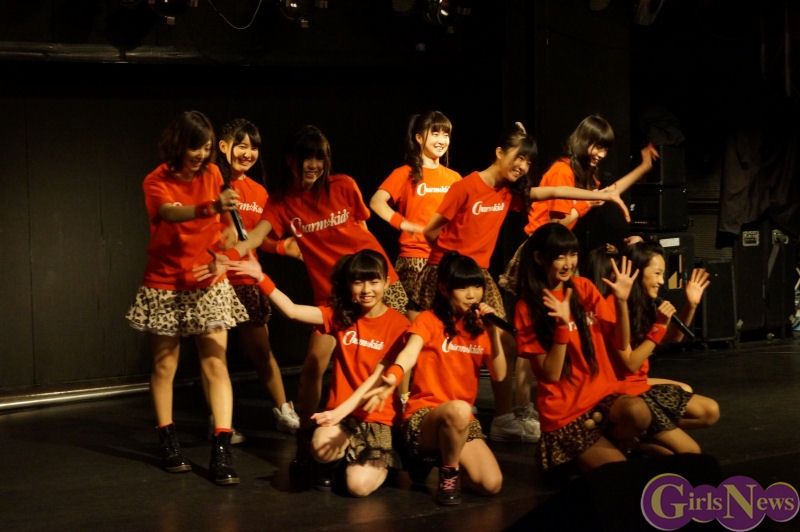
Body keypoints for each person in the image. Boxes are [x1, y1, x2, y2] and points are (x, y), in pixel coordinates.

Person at [413, 121, 632, 444]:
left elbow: (553, 192)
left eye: (528, 161)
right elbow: (431, 230)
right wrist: (452, 263)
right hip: (445, 272)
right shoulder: (465, 187)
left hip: (480, 275)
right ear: (499, 152)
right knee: (437, 340)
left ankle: (503, 418)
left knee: (504, 342)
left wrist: (600, 195)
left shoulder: (508, 193)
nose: (524, 166)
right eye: (519, 157)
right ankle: (423, 408)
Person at [221, 125, 408, 474]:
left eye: (319, 157)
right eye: (306, 158)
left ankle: (399, 431)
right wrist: (230, 255)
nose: (313, 165)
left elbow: (364, 231)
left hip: (375, 286)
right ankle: (306, 439)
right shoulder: (281, 202)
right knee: (312, 366)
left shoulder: (343, 185)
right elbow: (256, 237)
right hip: (334, 296)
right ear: (290, 161)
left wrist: (378, 280)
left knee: (393, 361)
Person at [502, 114, 659, 432]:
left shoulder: (586, 176)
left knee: (554, 332)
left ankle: (550, 403)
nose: (600, 154)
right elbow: (555, 228)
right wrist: (580, 208)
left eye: (605, 148)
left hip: (559, 256)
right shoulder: (563, 170)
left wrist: (643, 168)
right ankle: (521, 408)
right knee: (533, 334)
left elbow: (609, 192)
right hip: (540, 254)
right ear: (583, 140)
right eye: (596, 146)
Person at [222, 249, 410, 496]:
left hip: (377, 419)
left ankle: (384, 464)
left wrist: (339, 412)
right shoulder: (342, 316)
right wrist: (260, 278)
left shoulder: (400, 325)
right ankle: (342, 460)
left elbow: (377, 380)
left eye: (374, 282)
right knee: (320, 448)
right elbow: (292, 310)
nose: (366, 290)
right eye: (358, 282)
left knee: (358, 487)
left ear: (386, 282)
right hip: (341, 417)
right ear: (349, 285)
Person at [124, 110, 247, 486]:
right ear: (179, 145)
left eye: (207, 147)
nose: (202, 154)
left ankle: (221, 448)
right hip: (166, 284)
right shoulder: (155, 180)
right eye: (196, 147)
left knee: (216, 364)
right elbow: (170, 214)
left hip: (208, 281)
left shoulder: (213, 174)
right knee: (165, 366)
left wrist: (227, 237)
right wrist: (211, 207)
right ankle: (168, 440)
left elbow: (225, 224)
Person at [362, 251, 509, 506]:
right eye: (462, 287)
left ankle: (441, 455)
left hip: (460, 420)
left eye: (477, 286)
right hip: (424, 417)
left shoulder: (480, 328)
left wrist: (493, 333)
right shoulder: (428, 320)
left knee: (491, 484)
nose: (472, 295)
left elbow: (499, 374)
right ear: (444, 289)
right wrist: (393, 377)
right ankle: (447, 474)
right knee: (459, 410)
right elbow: (409, 353)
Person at [513, 223, 651, 477]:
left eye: (573, 254)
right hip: (566, 414)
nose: (568, 263)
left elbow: (621, 342)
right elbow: (550, 374)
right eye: (560, 256)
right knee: (622, 476)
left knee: (639, 412)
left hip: (602, 400)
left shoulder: (584, 287)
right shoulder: (528, 307)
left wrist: (621, 301)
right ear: (539, 258)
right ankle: (576, 458)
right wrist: (562, 326)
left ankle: (608, 447)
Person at [213, 118, 299, 437]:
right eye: (241, 146)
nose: (248, 153)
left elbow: (261, 239)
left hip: (248, 280)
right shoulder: (209, 183)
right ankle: (220, 423)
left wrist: (285, 247)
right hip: (215, 282)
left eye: (254, 148)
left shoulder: (259, 191)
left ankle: (284, 411)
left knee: (263, 354)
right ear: (224, 147)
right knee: (215, 358)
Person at [369, 110, 462, 398]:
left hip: (445, 262)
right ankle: (403, 398)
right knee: (412, 331)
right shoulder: (406, 173)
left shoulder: (454, 178)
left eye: (446, 134)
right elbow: (376, 202)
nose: (441, 139)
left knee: (444, 332)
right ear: (420, 138)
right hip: (415, 260)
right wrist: (403, 223)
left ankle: (437, 394)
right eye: (435, 133)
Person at [613, 241, 721, 454]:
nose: (662, 281)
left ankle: (643, 433)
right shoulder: (618, 307)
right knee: (687, 452)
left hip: (639, 381)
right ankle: (637, 434)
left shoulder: (647, 303)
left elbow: (672, 338)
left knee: (709, 411)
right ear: (637, 272)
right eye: (657, 273)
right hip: (620, 387)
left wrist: (690, 305)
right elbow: (630, 364)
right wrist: (659, 327)